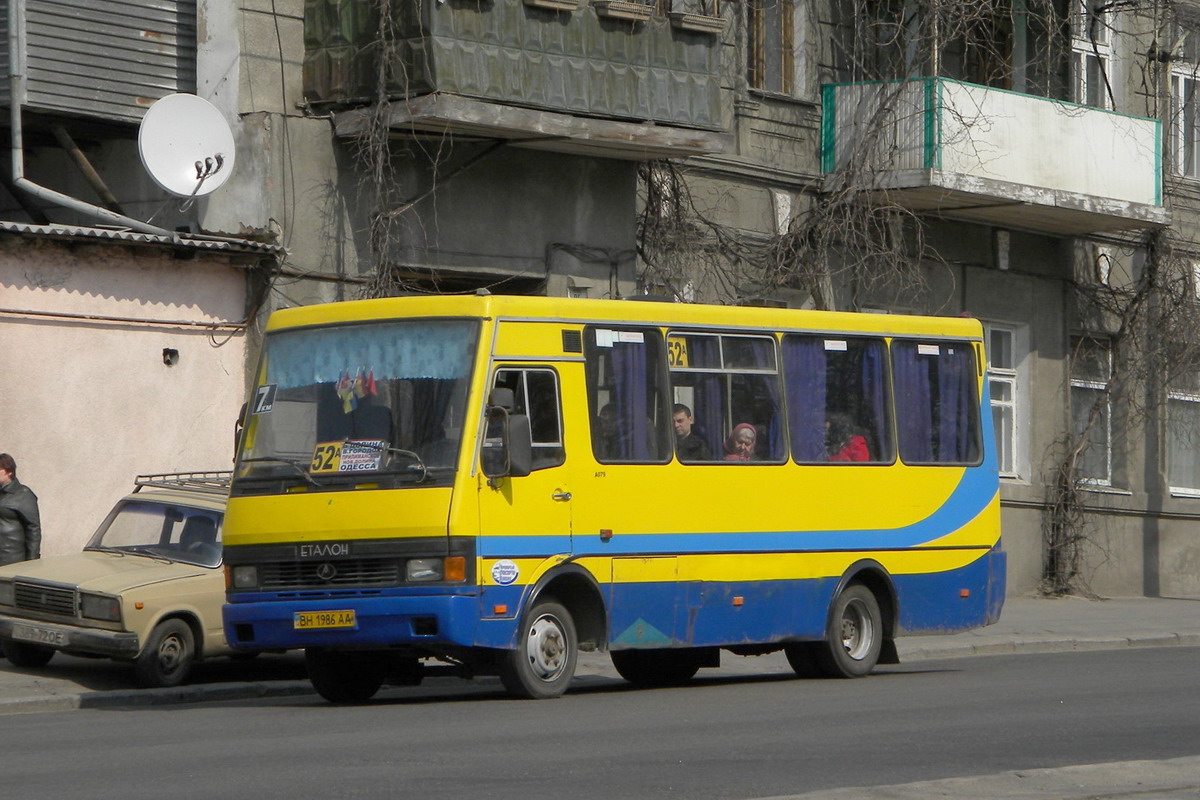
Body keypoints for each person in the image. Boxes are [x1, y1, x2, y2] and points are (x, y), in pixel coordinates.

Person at [0, 453, 40, 566]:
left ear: (9, 471)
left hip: (11, 560)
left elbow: (33, 529)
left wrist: (32, 562)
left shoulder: (23, 494)